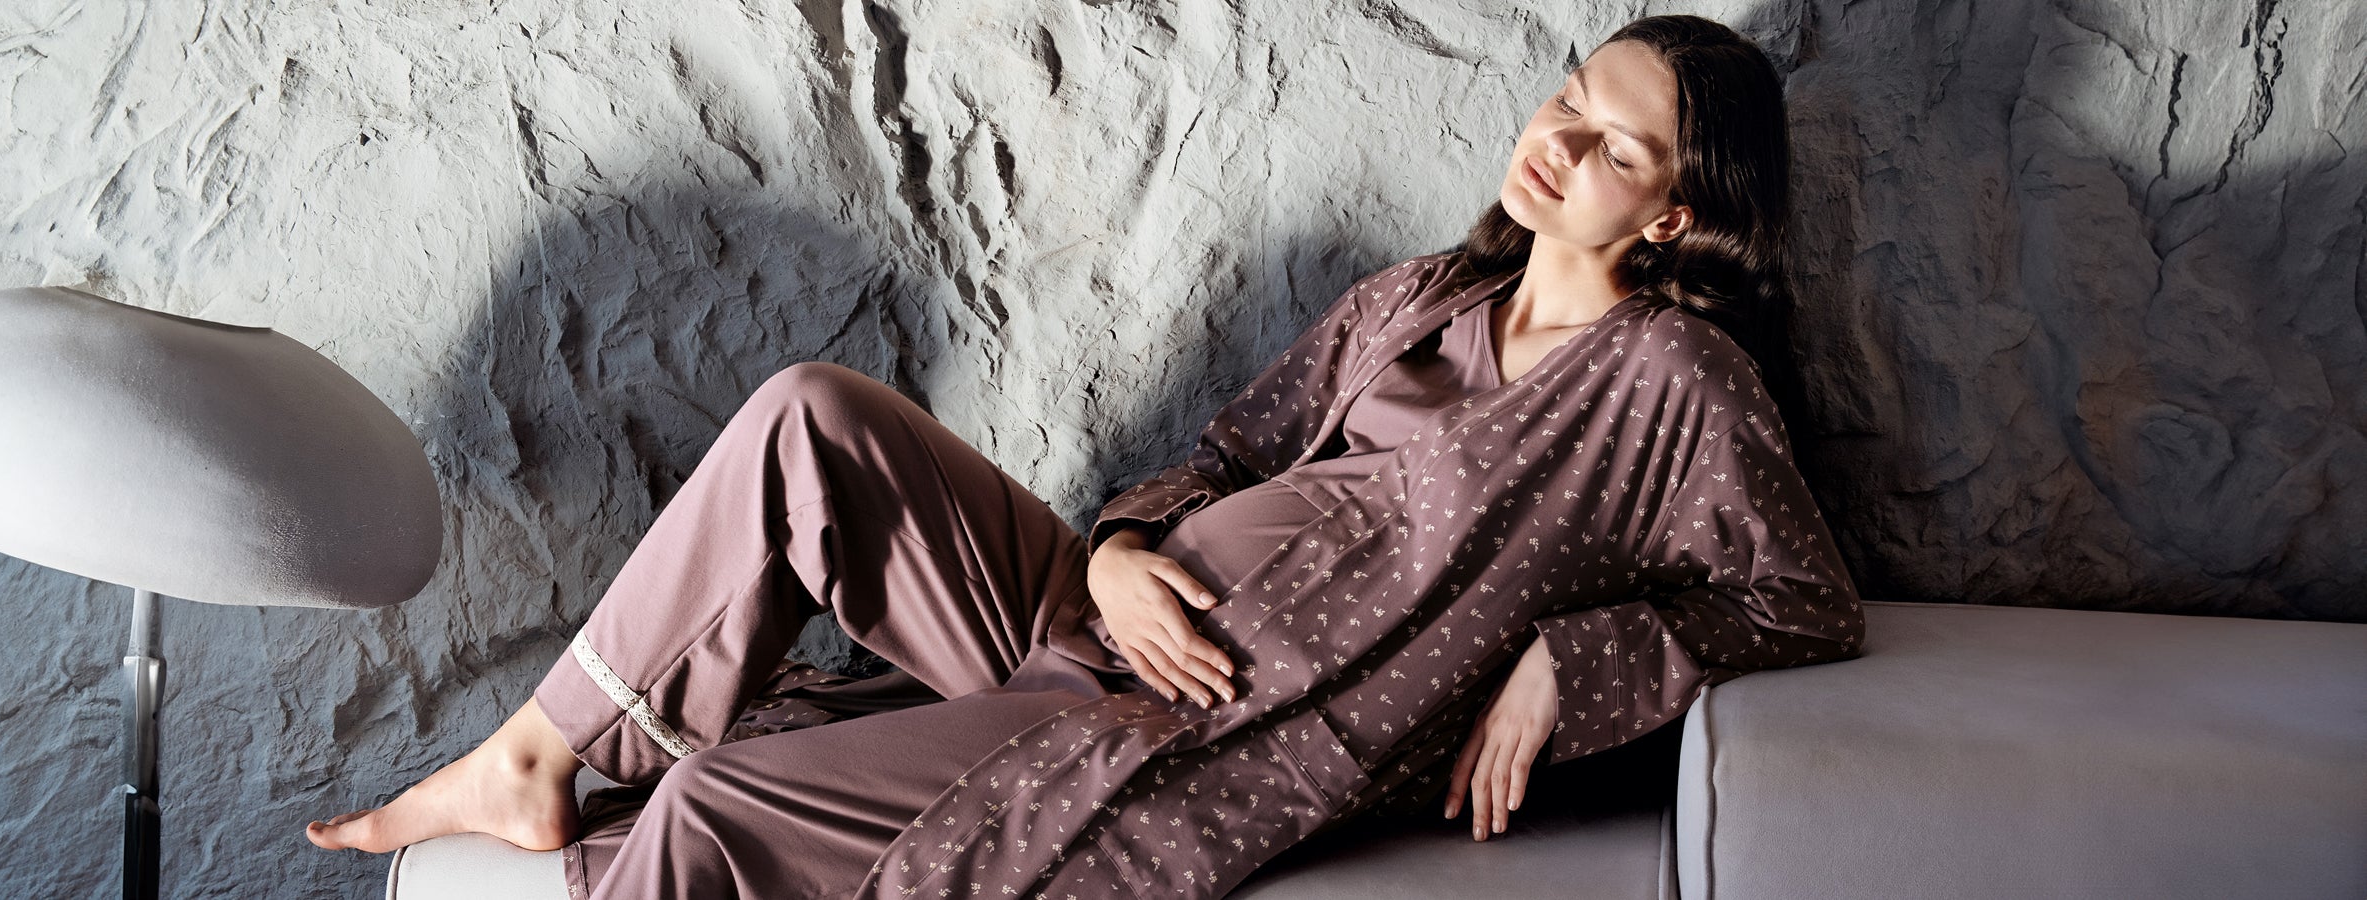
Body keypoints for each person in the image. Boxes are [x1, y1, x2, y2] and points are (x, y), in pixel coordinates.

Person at [307, 13, 1865, 900]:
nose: (1560, 142)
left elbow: (1799, 599)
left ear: (1672, 213)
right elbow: (1229, 452)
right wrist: (1118, 554)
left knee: (719, 807)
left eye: (1615, 147)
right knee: (810, 415)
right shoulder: (1421, 295)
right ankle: (535, 760)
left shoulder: (1670, 379)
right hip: (1110, 618)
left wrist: (1570, 663)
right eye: (1570, 98)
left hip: (1205, 718)